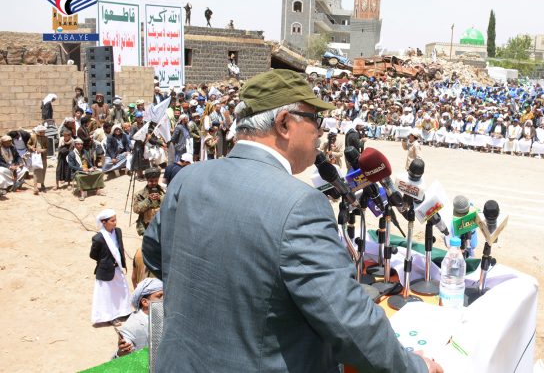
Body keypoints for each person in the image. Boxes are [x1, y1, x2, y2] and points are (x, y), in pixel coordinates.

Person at [143, 69, 440, 372]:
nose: (320, 132)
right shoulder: (300, 205)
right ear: (284, 123)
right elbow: (350, 324)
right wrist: (417, 367)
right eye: (315, 120)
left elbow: (154, 255)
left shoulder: (188, 178)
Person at [90, 209, 131, 325]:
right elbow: (93, 255)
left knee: (122, 290)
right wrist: (105, 262)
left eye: (115, 220)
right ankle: (111, 316)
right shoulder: (98, 238)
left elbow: (120, 248)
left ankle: (124, 311)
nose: (115, 223)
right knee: (107, 295)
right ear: (104, 222)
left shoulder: (118, 232)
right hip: (106, 270)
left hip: (117, 267)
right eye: (112, 221)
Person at [115, 278, 164, 358]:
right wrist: (121, 353)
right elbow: (123, 354)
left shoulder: (167, 314)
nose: (164, 299)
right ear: (145, 302)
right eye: (159, 296)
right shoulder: (131, 327)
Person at [132, 167, 164, 236]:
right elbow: (136, 210)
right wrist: (148, 200)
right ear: (147, 180)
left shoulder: (163, 192)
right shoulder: (139, 194)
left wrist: (160, 198)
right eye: (151, 181)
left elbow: (170, 204)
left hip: (162, 224)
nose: (154, 183)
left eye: (156, 180)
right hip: (147, 226)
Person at [27, 125, 48, 194]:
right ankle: (35, 186)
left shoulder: (45, 138)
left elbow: (46, 147)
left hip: (43, 156)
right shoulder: (33, 137)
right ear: (39, 132)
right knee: (36, 170)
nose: (43, 133)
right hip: (35, 155)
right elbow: (28, 144)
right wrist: (32, 148)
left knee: (43, 170)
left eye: (44, 132)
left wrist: (42, 150)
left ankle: (42, 184)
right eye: (42, 132)